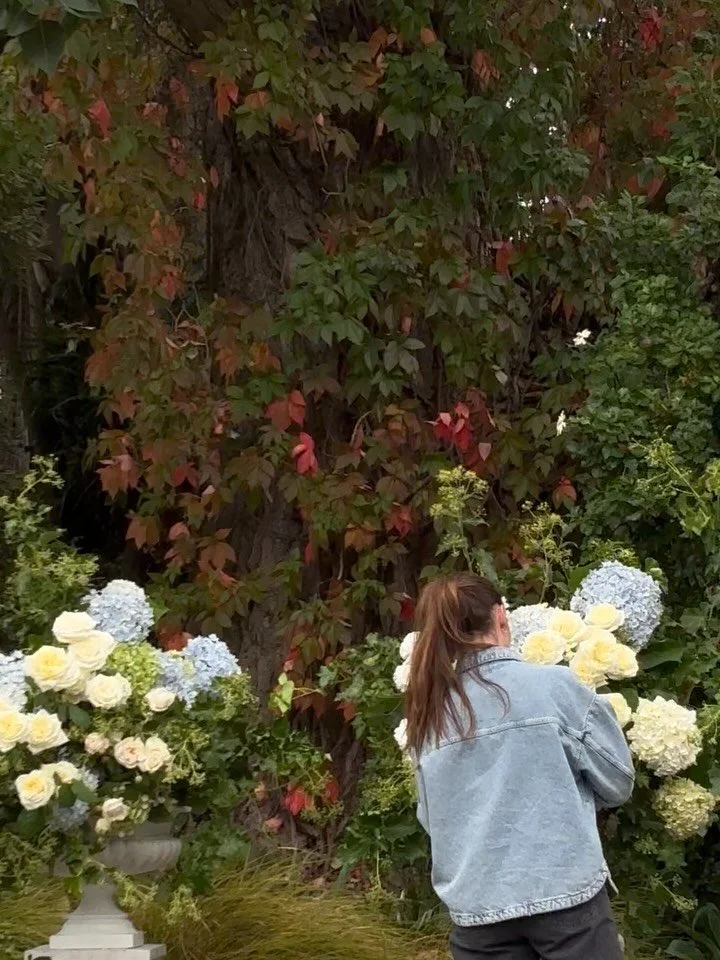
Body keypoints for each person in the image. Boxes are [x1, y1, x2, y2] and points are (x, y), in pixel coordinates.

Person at [405, 572, 634, 960]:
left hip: (477, 915)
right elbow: (617, 781)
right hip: (565, 898)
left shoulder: (428, 718)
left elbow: (432, 820)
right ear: (500, 618)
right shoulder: (554, 687)